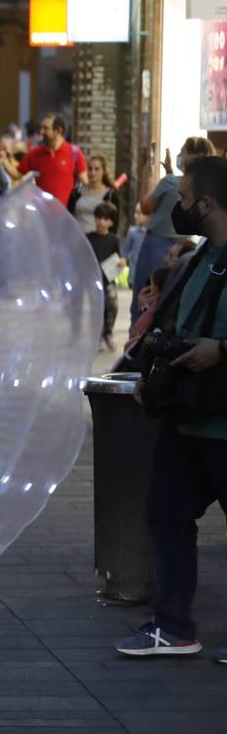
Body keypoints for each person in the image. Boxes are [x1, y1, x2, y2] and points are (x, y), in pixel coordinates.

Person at [117, 155, 227, 667]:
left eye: (182, 198)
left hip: (222, 421)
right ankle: (173, 625)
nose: (177, 207)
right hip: (187, 416)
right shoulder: (200, 257)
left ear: (206, 203)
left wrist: (220, 351)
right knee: (166, 515)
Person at [134, 136, 215, 311]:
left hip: (157, 244)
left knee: (145, 295)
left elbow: (146, 208)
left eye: (183, 152)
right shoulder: (206, 187)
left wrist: (145, 176)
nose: (179, 155)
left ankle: (138, 334)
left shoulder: (170, 182)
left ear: (191, 157)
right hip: (184, 248)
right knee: (170, 300)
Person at [12, 113, 85, 206]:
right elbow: (16, 174)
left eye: (46, 128)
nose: (41, 132)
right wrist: (3, 159)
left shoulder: (74, 152)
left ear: (58, 131)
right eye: (41, 128)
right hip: (42, 215)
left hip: (66, 215)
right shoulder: (34, 154)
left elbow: (85, 181)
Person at [86, 202, 122, 351]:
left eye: (106, 219)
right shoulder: (88, 238)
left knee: (112, 306)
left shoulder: (114, 239)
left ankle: (108, 332)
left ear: (111, 222)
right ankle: (98, 336)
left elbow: (118, 256)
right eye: (99, 217)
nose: (101, 222)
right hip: (92, 280)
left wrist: (122, 261)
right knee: (96, 309)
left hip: (109, 279)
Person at [68, 152, 120, 234]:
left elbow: (114, 225)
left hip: (99, 242)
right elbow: (69, 216)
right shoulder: (77, 192)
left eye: (97, 169)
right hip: (78, 239)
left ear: (103, 171)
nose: (93, 173)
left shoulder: (110, 196)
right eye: (90, 169)